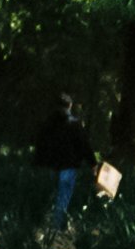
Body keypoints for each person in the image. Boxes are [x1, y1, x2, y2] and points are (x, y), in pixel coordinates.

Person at [32, 96, 92, 232]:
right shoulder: (75, 124)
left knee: (48, 195)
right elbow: (84, 145)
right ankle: (57, 227)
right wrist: (92, 164)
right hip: (68, 166)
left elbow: (40, 145)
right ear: (70, 105)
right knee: (63, 197)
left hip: (49, 166)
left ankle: (43, 224)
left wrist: (36, 163)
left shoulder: (48, 124)